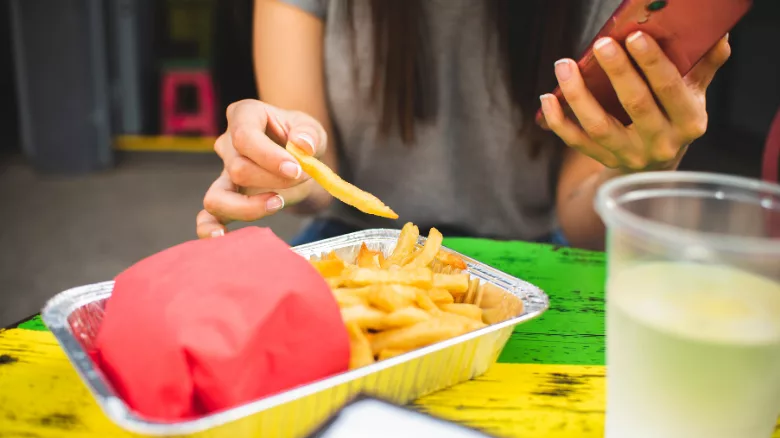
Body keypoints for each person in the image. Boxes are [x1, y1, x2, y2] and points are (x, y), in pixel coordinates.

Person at [195, 0, 732, 250]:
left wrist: (644, 165)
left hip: (532, 254)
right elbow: (315, 172)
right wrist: (281, 159)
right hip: (349, 241)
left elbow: (581, 220)